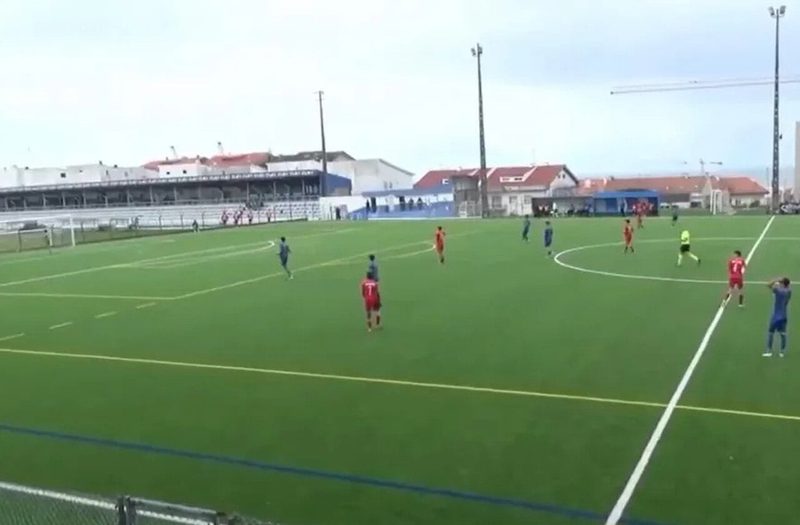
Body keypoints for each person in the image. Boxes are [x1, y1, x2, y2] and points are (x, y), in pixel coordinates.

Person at [764, 277, 792, 357]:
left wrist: (776, 280)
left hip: (776, 315)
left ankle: (769, 351)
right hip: (784, 314)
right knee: (783, 333)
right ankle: (782, 352)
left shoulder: (778, 291)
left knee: (771, 332)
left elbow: (768, 285)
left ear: (783, 283)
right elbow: (787, 302)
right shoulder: (789, 291)